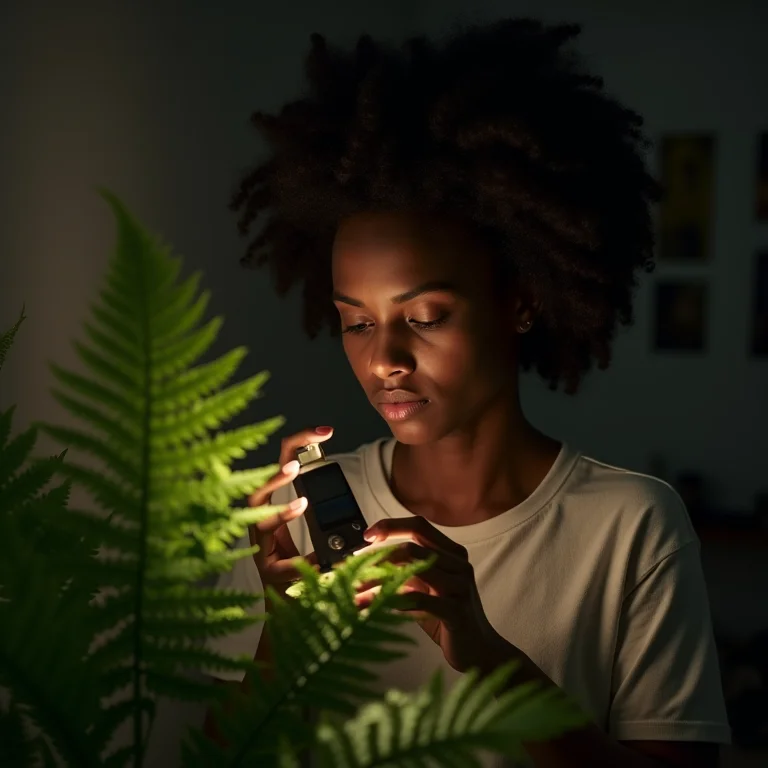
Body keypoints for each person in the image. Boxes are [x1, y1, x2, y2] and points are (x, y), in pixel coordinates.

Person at [207, 18, 731, 767]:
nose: (385, 359)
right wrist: (282, 636)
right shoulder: (294, 527)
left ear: (520, 303)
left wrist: (482, 649)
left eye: (423, 318)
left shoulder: (631, 526)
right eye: (355, 323)